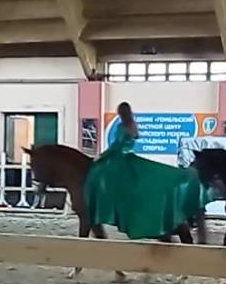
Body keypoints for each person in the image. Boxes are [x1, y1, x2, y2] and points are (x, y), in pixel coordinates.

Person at [83, 102, 206, 240]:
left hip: (119, 159)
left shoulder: (123, 126)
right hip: (125, 157)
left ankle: (104, 202)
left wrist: (102, 156)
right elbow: (132, 139)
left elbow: (117, 145)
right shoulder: (132, 125)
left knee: (98, 172)